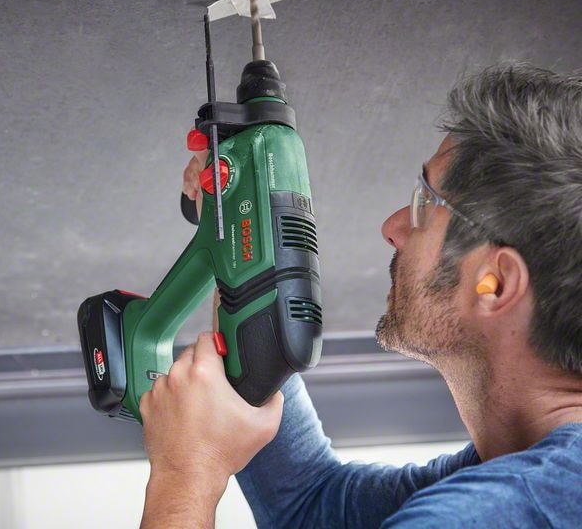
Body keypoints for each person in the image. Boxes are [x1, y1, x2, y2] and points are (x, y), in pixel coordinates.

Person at [139, 63, 582, 528]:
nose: (393, 227)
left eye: (425, 204)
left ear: (497, 284)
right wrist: (243, 237)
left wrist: (184, 471)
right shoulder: (535, 479)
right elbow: (308, 506)